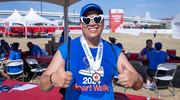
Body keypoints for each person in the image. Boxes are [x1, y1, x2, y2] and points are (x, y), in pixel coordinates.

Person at [39, 3, 143, 100]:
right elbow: (42, 85)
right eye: (87, 20)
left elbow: (139, 84)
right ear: (81, 23)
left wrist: (134, 79)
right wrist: (53, 79)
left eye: (97, 19)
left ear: (102, 22)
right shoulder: (67, 48)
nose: (92, 23)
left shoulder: (114, 50)